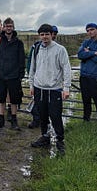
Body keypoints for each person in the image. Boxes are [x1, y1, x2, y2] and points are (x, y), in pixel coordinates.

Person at [30, 24, 71, 154]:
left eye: (47, 34)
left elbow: (66, 68)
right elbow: (32, 68)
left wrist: (66, 88)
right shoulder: (37, 49)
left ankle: (60, 140)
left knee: (55, 115)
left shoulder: (60, 49)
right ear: (39, 35)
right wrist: (31, 85)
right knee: (42, 115)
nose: (44, 37)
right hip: (39, 88)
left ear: (51, 34)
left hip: (54, 89)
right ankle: (45, 136)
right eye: (42, 34)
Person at [0, 18, 26, 131]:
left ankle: (14, 120)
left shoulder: (18, 42)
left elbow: (21, 59)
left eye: (10, 26)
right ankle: (1, 119)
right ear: (4, 27)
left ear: (13, 27)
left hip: (14, 75)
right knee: (1, 97)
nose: (8, 28)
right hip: (1, 75)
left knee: (14, 98)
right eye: (6, 26)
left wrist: (21, 74)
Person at [25, 25, 59, 128]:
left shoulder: (57, 48)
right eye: (43, 34)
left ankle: (47, 124)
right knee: (37, 102)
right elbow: (31, 61)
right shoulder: (37, 47)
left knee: (51, 106)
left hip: (52, 83)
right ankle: (37, 120)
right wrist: (31, 75)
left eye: (54, 34)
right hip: (38, 80)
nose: (53, 35)